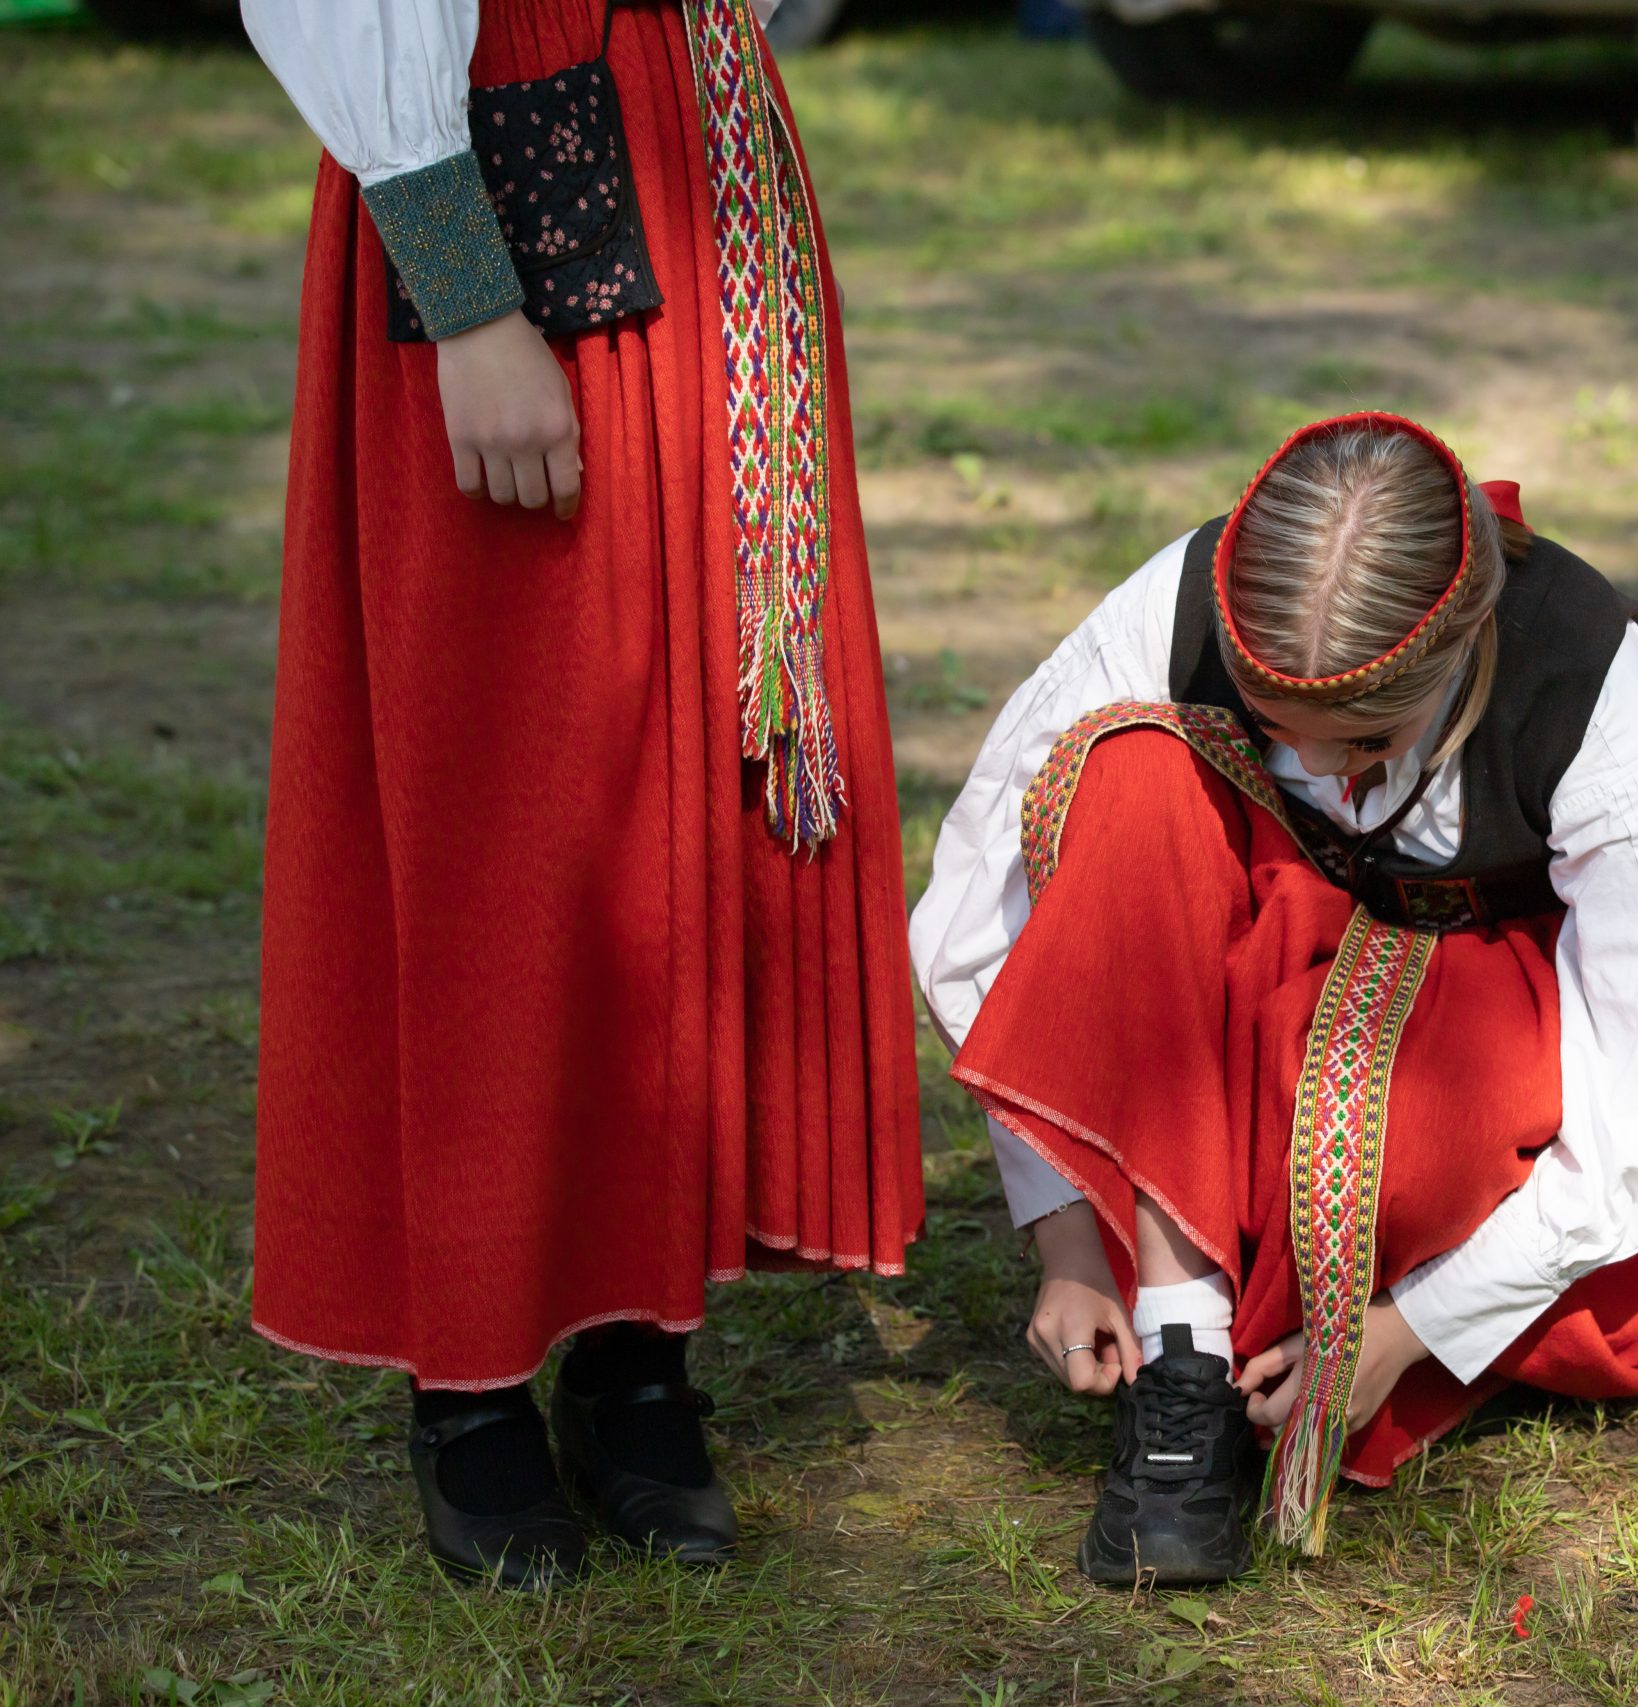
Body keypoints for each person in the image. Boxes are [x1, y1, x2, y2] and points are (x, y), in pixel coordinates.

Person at [241, 0, 921, 1586]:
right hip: (489, 146)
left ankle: (636, 1341)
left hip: (697, 146)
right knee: (502, 785)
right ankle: (472, 1372)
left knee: (672, 778)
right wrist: (468, 299)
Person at [910, 413, 1638, 1584]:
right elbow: (969, 921)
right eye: (1275, 730)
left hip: (1486, 1025)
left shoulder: (1586, 676)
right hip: (1253, 972)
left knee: (1413, 1122)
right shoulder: (1183, 597)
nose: (1317, 767)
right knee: (1130, 773)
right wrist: (1065, 1238)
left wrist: (1407, 1330)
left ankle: (1324, 1320)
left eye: (1363, 739)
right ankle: (1187, 1355)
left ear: (1460, 650)